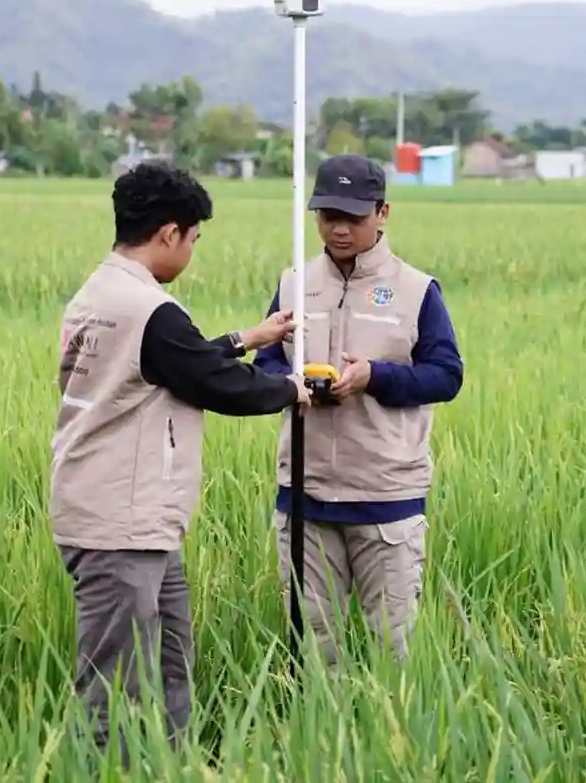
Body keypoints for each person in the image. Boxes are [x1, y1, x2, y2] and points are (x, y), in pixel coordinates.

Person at [50, 162, 310, 759]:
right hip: (121, 520)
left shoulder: (99, 293)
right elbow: (218, 386)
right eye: (193, 238)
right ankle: (104, 769)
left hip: (131, 517)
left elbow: (172, 362)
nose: (191, 249)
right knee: (113, 686)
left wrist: (247, 338)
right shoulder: (151, 310)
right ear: (169, 234)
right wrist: (296, 389)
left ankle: (168, 763)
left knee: (169, 662)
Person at [253, 153, 463, 668]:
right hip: (307, 497)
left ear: (383, 213)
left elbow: (447, 375)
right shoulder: (294, 284)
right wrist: (291, 384)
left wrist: (375, 376)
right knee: (314, 653)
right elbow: (262, 366)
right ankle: (316, 741)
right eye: (328, 216)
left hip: (386, 499)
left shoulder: (416, 291)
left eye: (353, 217)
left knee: (394, 652)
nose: (339, 229)